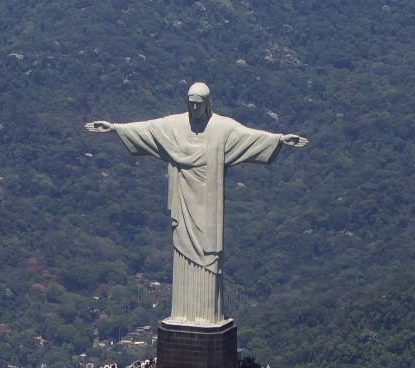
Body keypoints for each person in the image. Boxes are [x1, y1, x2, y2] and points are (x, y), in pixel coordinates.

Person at [86, 82, 307, 325]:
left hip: (208, 206)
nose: (194, 108)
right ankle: (183, 315)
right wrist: (115, 128)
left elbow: (250, 137)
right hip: (183, 201)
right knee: (182, 251)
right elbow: (148, 129)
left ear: (208, 104)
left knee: (208, 255)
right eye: (191, 103)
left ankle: (206, 315)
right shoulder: (175, 126)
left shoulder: (222, 128)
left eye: (199, 104)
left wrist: (280, 140)